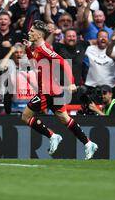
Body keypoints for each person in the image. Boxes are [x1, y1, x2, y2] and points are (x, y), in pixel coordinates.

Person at [20, 20, 98, 160]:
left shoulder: (45, 49)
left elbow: (63, 63)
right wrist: (27, 49)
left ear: (39, 35)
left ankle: (53, 136)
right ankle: (88, 143)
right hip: (52, 91)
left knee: (25, 116)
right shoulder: (38, 49)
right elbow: (34, 64)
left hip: (47, 92)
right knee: (64, 118)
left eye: (32, 31)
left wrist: (72, 82)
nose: (29, 33)